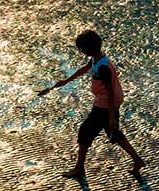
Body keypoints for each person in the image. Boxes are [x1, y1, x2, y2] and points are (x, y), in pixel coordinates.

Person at [38, 30, 145, 179]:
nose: (80, 51)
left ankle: (79, 169)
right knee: (113, 134)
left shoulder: (103, 68)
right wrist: (65, 81)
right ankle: (138, 160)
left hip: (105, 104)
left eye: (81, 48)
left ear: (86, 48)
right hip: (108, 102)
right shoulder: (98, 58)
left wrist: (112, 116)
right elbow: (85, 68)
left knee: (84, 133)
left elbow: (109, 92)